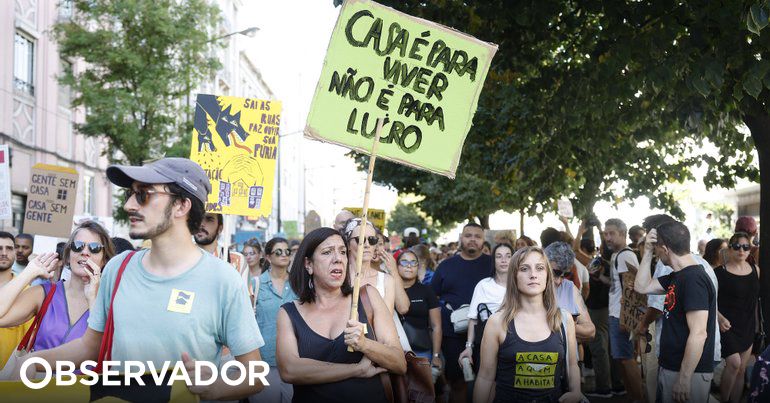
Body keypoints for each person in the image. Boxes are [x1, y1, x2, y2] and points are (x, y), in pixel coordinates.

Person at [5, 158, 266, 400]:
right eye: (131, 194)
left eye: (143, 195)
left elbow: (255, 375)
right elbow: (90, 348)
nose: (129, 204)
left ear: (181, 206)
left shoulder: (223, 280)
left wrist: (215, 387)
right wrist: (36, 361)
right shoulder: (118, 268)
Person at [275, 227, 406, 402]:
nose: (338, 259)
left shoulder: (368, 297)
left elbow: (399, 363)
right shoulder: (288, 313)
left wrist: (365, 344)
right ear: (309, 264)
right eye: (327, 252)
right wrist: (356, 369)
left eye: (342, 252)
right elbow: (289, 370)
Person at [472, 247, 583, 403]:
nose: (533, 275)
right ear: (514, 276)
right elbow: (485, 378)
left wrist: (576, 392)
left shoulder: (563, 319)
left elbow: (572, 364)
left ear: (547, 275)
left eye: (540, 268)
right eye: (524, 269)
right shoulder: (497, 322)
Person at [0, 221, 115, 353]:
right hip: (39, 372)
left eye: (94, 248)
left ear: (104, 258)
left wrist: (94, 300)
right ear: (68, 254)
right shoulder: (44, 293)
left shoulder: (112, 299)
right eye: (77, 246)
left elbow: (110, 350)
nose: (85, 252)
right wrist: (28, 273)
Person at [634, 222, 717, 403]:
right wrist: (647, 251)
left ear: (664, 249)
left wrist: (684, 379)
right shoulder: (678, 276)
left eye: (656, 250)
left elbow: (699, 333)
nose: (656, 254)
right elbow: (641, 287)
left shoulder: (694, 279)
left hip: (687, 373)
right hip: (673, 367)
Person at [431, 222, 493, 403]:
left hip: (486, 332)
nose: (472, 239)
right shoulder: (446, 266)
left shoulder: (493, 265)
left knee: (489, 379)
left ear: (483, 240)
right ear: (461, 238)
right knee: (457, 381)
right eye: (468, 235)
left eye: (477, 236)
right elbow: (432, 297)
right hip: (452, 334)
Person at [344, 219, 411, 351]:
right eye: (361, 239)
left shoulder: (386, 280)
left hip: (376, 347)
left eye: (372, 240)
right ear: (347, 244)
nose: (367, 244)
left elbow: (385, 325)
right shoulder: (338, 277)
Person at [716, 232, 761, 403]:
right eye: (737, 246)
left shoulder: (755, 270)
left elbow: (757, 300)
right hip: (727, 325)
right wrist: (719, 318)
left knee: (742, 369)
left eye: (745, 246)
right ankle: (724, 400)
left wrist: (757, 324)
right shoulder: (720, 273)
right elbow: (709, 301)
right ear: (730, 249)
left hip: (747, 325)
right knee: (734, 364)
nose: (741, 250)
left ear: (750, 249)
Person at [253, 237, 299, 403]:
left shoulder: (298, 284)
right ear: (268, 257)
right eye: (278, 252)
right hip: (263, 361)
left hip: (294, 361)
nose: (284, 255)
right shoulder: (256, 284)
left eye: (287, 251)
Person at [603, 218, 644, 403]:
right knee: (622, 359)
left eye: (611, 233)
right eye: (606, 234)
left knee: (627, 359)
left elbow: (631, 290)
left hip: (620, 315)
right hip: (615, 313)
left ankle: (639, 399)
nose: (607, 237)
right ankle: (632, 397)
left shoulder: (625, 255)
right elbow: (617, 287)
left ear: (623, 234)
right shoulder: (617, 255)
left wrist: (624, 318)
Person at [458, 243, 511, 374]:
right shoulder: (483, 285)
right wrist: (469, 347)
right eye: (499, 256)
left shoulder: (521, 284)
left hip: (514, 342)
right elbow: (473, 319)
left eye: (508, 256)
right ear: (494, 260)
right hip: (487, 342)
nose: (503, 260)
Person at [397, 250, 442, 368]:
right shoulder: (389, 289)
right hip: (394, 350)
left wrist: (436, 355)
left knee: (422, 386)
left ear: (418, 267)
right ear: (396, 266)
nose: (409, 266)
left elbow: (436, 326)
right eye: (404, 262)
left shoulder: (426, 291)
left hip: (420, 350)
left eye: (413, 262)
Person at [543, 242, 596, 342]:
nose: (558, 281)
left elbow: (591, 331)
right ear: (544, 264)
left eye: (564, 275)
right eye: (555, 273)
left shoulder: (569, 288)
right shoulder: (531, 285)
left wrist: (564, 324)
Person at [0, 231, 32, 368]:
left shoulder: (26, 291)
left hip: (9, 378)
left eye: (9, 248)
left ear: (14, 253)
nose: (3, 253)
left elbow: (29, 340)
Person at [243, 238, 264, 307]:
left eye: (252, 253)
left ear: (260, 254)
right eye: (245, 254)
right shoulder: (241, 274)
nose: (248, 257)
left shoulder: (267, 274)